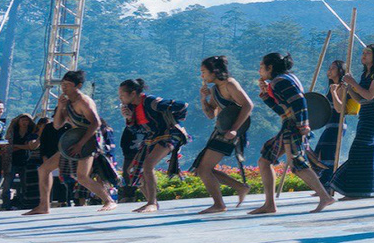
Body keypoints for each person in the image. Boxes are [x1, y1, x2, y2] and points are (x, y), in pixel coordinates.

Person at [249, 52, 335, 214]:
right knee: (265, 160)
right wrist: (267, 96)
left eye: (262, 67)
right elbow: (282, 109)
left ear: (270, 67)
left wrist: (303, 124)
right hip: (289, 125)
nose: (259, 70)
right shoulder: (284, 80)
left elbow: (299, 101)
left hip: (293, 127)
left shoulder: (279, 82)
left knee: (296, 164)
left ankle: (324, 197)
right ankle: (269, 204)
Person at [32, 70, 117, 213]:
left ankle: (109, 201)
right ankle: (44, 206)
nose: (64, 87)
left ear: (78, 86)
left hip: (89, 140)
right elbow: (57, 125)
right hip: (74, 139)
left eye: (68, 85)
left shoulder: (83, 101)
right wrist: (60, 107)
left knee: (82, 176)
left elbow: (95, 123)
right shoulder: (67, 102)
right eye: (63, 84)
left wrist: (80, 144)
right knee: (44, 169)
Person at [116, 78, 191, 214]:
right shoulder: (132, 107)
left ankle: (152, 203)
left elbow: (182, 105)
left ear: (133, 93)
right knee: (132, 170)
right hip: (152, 138)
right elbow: (136, 130)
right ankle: (152, 202)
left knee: (148, 164)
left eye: (122, 95)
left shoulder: (151, 101)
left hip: (169, 134)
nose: (120, 98)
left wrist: (175, 120)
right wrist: (128, 119)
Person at [194, 57, 254, 213]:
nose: (202, 76)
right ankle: (240, 188)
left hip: (231, 132)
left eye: (204, 72)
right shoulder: (215, 89)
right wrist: (203, 99)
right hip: (220, 130)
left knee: (204, 169)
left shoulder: (230, 84)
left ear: (214, 71)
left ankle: (219, 205)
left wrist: (234, 129)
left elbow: (248, 105)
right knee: (202, 168)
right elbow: (210, 114)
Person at [329, 44, 374, 198]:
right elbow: (361, 100)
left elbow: (370, 95)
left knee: (358, 150)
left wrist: (353, 83)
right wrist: (349, 89)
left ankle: (359, 190)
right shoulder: (365, 74)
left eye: (367, 53)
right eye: (363, 52)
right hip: (365, 114)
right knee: (367, 151)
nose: (364, 55)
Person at [4, 112, 40, 210]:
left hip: (26, 161)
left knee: (25, 185)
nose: (25, 122)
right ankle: (6, 205)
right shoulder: (13, 131)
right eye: (23, 120)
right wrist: (22, 147)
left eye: (27, 120)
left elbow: (31, 146)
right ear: (18, 121)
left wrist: (17, 146)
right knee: (7, 184)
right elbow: (8, 144)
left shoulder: (31, 132)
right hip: (12, 161)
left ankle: (24, 204)